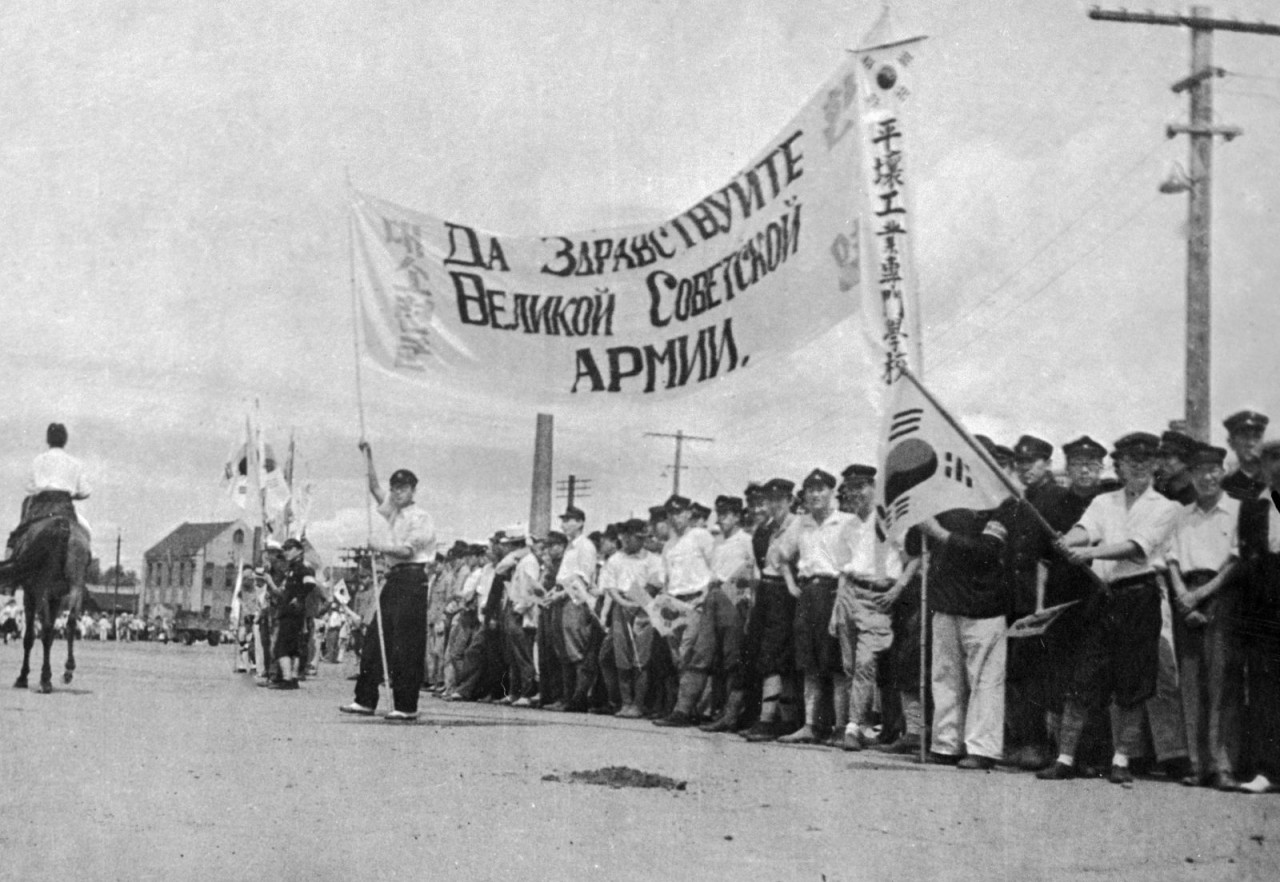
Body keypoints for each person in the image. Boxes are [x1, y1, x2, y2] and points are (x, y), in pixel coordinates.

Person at [1040, 432, 1180, 785]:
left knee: (1132, 682)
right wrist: (1066, 541)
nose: (1137, 467)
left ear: (1155, 465)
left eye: (1145, 461)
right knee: (1083, 677)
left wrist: (1087, 553)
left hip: (1140, 595)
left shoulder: (1166, 507)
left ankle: (1121, 762)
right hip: (1103, 597)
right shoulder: (1105, 501)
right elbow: (1084, 529)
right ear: (1118, 465)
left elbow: (1136, 548)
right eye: (1130, 461)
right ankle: (1065, 758)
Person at [340, 442, 436, 722]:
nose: (397, 492)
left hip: (412, 577)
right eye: (395, 488)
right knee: (375, 638)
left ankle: (406, 705)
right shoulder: (394, 512)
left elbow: (408, 550)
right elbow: (373, 487)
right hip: (394, 579)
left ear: (413, 490)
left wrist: (379, 546)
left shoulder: (421, 518)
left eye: (403, 488)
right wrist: (367, 457)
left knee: (406, 644)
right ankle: (365, 699)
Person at [1167, 443, 1242, 790]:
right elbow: (1171, 559)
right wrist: (1183, 593)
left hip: (1220, 595)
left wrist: (1202, 594)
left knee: (1221, 682)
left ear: (1222, 472)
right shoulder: (1182, 515)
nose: (1207, 477)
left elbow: (1235, 561)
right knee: (1192, 684)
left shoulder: (1237, 510)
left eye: (1213, 470)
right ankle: (1197, 765)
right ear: (1192, 476)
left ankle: (1222, 765)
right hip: (1187, 597)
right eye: (1200, 472)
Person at [830, 465, 915, 751]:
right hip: (850, 595)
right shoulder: (849, 526)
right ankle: (861, 724)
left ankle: (853, 727)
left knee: (866, 662)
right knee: (850, 664)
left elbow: (913, 558)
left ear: (873, 487)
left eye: (861, 487)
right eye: (850, 488)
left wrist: (896, 589)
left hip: (878, 599)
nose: (855, 494)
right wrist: (837, 609)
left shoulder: (889, 518)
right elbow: (844, 569)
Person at [772, 469, 854, 745]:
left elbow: (853, 563)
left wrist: (842, 600)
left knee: (836, 664)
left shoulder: (846, 522)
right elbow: (781, 556)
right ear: (804, 495)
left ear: (832, 492)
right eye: (810, 490)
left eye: (821, 490)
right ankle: (810, 725)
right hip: (808, 592)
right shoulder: (801, 523)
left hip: (836, 591)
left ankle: (840, 727)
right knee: (808, 662)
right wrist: (791, 584)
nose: (816, 495)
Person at [741, 478, 800, 742]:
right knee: (763, 652)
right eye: (770, 499)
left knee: (774, 654)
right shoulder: (766, 529)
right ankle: (784, 720)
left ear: (790, 500)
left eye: (780, 499)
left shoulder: (798, 525)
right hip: (765, 590)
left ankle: (767, 720)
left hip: (784, 593)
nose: (774, 504)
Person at [1236, 438, 1280, 793]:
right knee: (1264, 687)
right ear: (1262, 467)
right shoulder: (1252, 509)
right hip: (1266, 608)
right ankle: (1267, 770)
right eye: (1272, 460)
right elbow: (1246, 562)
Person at [24, 422, 90, 524]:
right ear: (65, 440)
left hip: (42, 508)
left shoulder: (38, 460)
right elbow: (85, 492)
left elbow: (29, 488)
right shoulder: (75, 463)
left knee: (19, 534)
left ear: (48, 440)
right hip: (65, 508)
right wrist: (71, 493)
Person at [270, 538, 314, 690]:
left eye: (289, 549)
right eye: (285, 549)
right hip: (290, 611)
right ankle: (293, 677)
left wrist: (299, 597)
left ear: (299, 550)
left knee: (282, 646)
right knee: (293, 646)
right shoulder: (292, 569)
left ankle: (287, 679)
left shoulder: (301, 567)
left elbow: (310, 583)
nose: (286, 552)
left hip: (292, 612)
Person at [1222, 410, 1269, 502]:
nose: (1251, 443)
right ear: (1231, 443)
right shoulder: (1224, 486)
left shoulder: (1274, 481)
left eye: (1257, 437)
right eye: (1244, 437)